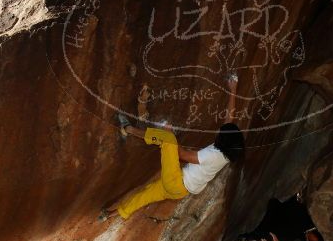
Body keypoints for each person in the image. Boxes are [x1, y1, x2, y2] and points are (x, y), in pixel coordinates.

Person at [101, 75, 245, 221]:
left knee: (168, 139)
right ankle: (109, 215)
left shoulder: (213, 155)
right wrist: (233, 90)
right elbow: (229, 119)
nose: (220, 131)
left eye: (222, 133)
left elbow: (182, 155)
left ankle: (128, 129)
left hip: (176, 181)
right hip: (178, 191)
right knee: (143, 196)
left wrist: (169, 133)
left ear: (225, 141)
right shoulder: (226, 153)